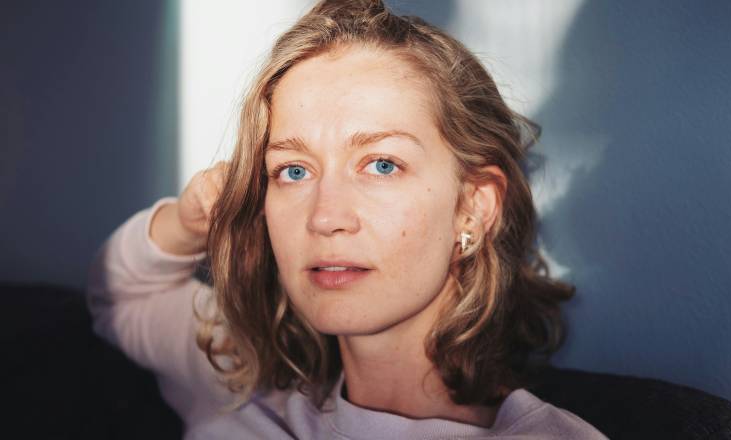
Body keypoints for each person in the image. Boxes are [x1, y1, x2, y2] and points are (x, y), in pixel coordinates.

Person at [86, 0, 609, 438]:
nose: (325, 217)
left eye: (381, 164)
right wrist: (188, 223)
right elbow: (119, 296)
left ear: (474, 206)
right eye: (293, 170)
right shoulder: (239, 379)